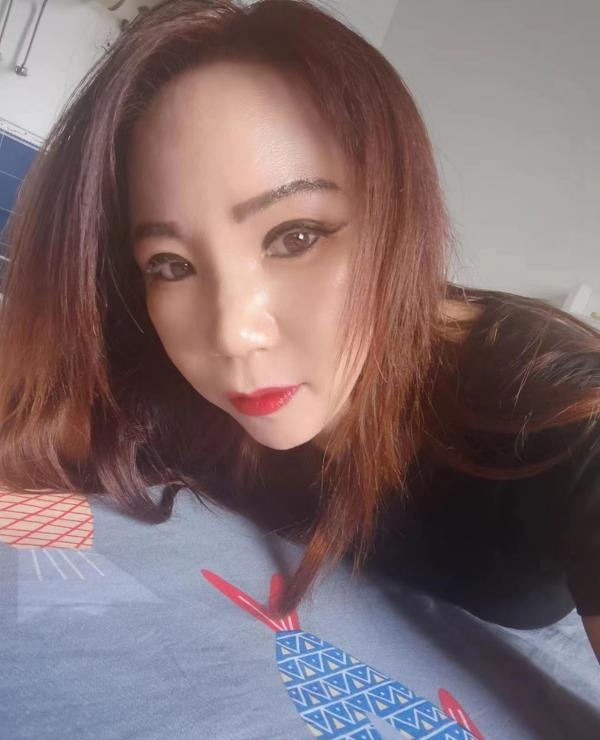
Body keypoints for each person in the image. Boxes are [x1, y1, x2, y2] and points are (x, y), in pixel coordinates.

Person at [0, 0, 598, 661]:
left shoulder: (565, 422)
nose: (232, 334)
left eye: (296, 236)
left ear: (397, 225)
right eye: (171, 265)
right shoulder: (158, 369)